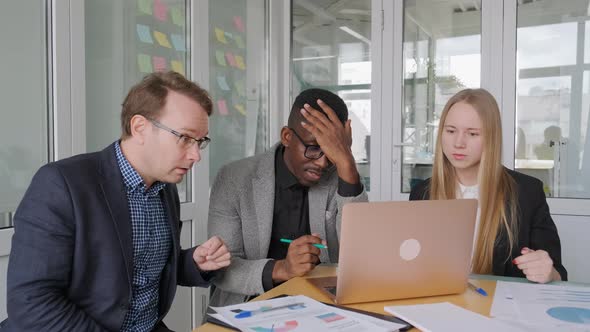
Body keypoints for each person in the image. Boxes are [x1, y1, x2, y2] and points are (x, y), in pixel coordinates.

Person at [1, 71, 231, 332]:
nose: (195, 156)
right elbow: (31, 303)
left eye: (200, 142)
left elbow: (137, 267)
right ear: (140, 127)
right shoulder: (61, 184)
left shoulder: (165, 188)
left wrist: (193, 263)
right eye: (185, 138)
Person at [207, 88, 368, 306]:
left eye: (331, 151)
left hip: (323, 308)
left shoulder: (340, 178)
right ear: (287, 136)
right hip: (248, 306)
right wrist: (282, 268)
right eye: (313, 148)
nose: (322, 163)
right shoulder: (234, 179)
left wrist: (347, 162)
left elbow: (362, 257)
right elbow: (221, 269)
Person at [410, 88, 567, 283]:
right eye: (451, 131)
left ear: (491, 138)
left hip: (501, 309)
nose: (458, 143)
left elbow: (559, 273)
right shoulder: (422, 193)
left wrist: (548, 272)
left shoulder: (527, 192)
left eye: (473, 134)